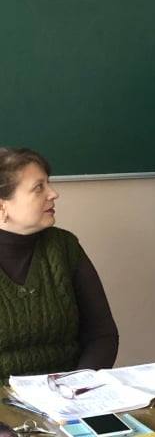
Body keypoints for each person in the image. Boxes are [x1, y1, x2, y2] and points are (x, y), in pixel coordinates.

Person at [0, 147, 118, 379]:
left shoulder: (63, 246)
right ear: (2, 205)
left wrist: (75, 385)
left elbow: (102, 335)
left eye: (49, 184)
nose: (53, 194)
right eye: (38, 187)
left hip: (67, 392)